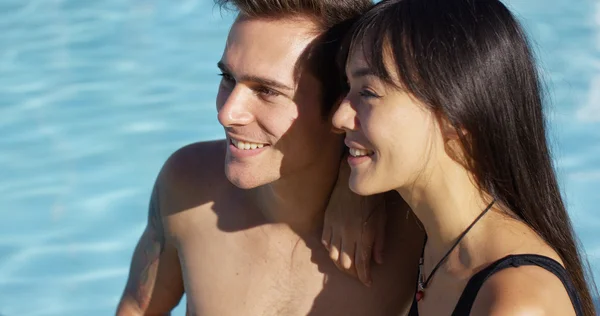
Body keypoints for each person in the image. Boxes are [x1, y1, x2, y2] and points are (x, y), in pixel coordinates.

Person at [115, 0, 424, 315]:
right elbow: (138, 308)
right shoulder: (188, 183)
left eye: (267, 91)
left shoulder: (415, 226)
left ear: (342, 104)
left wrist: (357, 189)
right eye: (228, 78)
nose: (227, 113)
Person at [331, 0, 598, 315]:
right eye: (349, 88)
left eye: (368, 93)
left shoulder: (515, 302)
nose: (339, 117)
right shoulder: (441, 250)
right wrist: (347, 194)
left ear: (455, 118)